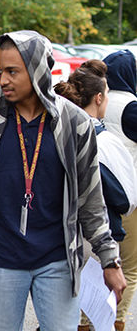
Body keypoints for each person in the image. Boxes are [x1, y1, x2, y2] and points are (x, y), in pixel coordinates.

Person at [0, 30, 126, 331]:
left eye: (12, 71)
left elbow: (91, 200)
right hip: (0, 259)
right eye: (0, 71)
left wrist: (109, 259)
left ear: (38, 69)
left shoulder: (74, 123)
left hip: (57, 260)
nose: (3, 80)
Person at [55, 58, 137, 331]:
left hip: (57, 226)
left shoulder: (59, 127)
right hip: (96, 228)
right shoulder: (98, 137)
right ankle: (113, 323)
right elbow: (122, 197)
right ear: (99, 97)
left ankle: (82, 324)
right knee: (116, 278)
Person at [103, 49, 137, 330]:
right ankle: (117, 320)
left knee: (93, 265)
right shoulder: (132, 107)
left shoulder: (97, 99)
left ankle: (84, 321)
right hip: (126, 196)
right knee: (129, 266)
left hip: (94, 193)